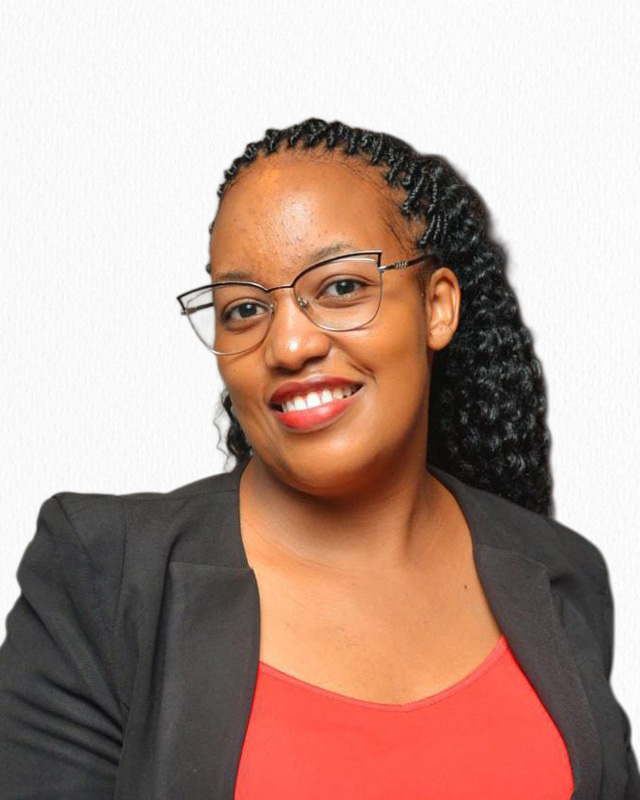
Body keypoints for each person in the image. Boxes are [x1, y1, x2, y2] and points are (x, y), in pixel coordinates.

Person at [0, 118, 637, 799]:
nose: (289, 345)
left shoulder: (559, 575)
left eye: (340, 288)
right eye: (244, 309)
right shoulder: (106, 576)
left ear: (437, 307)